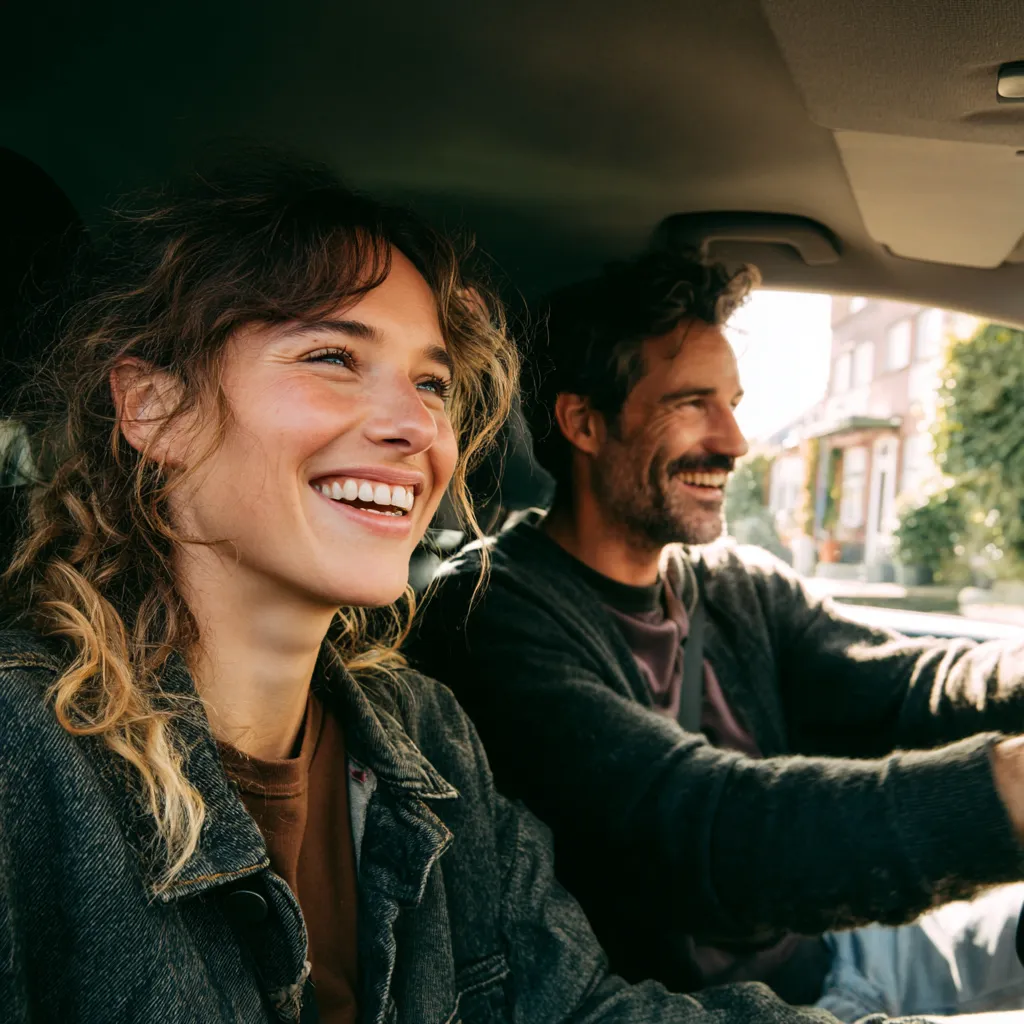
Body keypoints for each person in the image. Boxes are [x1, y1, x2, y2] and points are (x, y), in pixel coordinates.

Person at [0, 160, 916, 1024]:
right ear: (154, 407)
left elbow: (574, 1011)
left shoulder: (424, 738)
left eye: (431, 382)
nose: (416, 426)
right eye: (331, 357)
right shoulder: (26, 762)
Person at [405, 248, 1024, 1022]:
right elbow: (703, 824)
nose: (734, 441)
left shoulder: (737, 583)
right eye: (692, 402)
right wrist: (1005, 794)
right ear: (583, 421)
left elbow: (902, 681)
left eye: (732, 401)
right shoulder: (491, 617)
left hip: (838, 950)